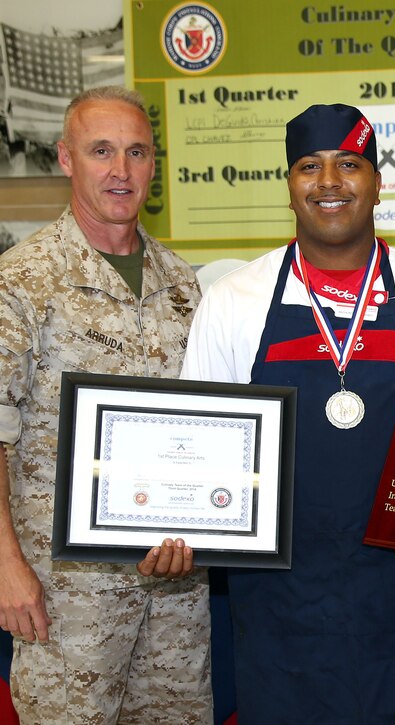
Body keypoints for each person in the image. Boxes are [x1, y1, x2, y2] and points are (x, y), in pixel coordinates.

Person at [182, 103, 395, 723]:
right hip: (280, 613)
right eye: (309, 166)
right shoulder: (232, 303)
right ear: (290, 186)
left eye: (349, 164)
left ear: (378, 182)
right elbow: (200, 449)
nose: (329, 182)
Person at [0, 86, 211, 723]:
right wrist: (5, 566)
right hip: (67, 595)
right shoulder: (23, 280)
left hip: (173, 584)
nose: (121, 170)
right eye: (101, 151)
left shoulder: (183, 284)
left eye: (137, 152)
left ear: (153, 166)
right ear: (66, 159)